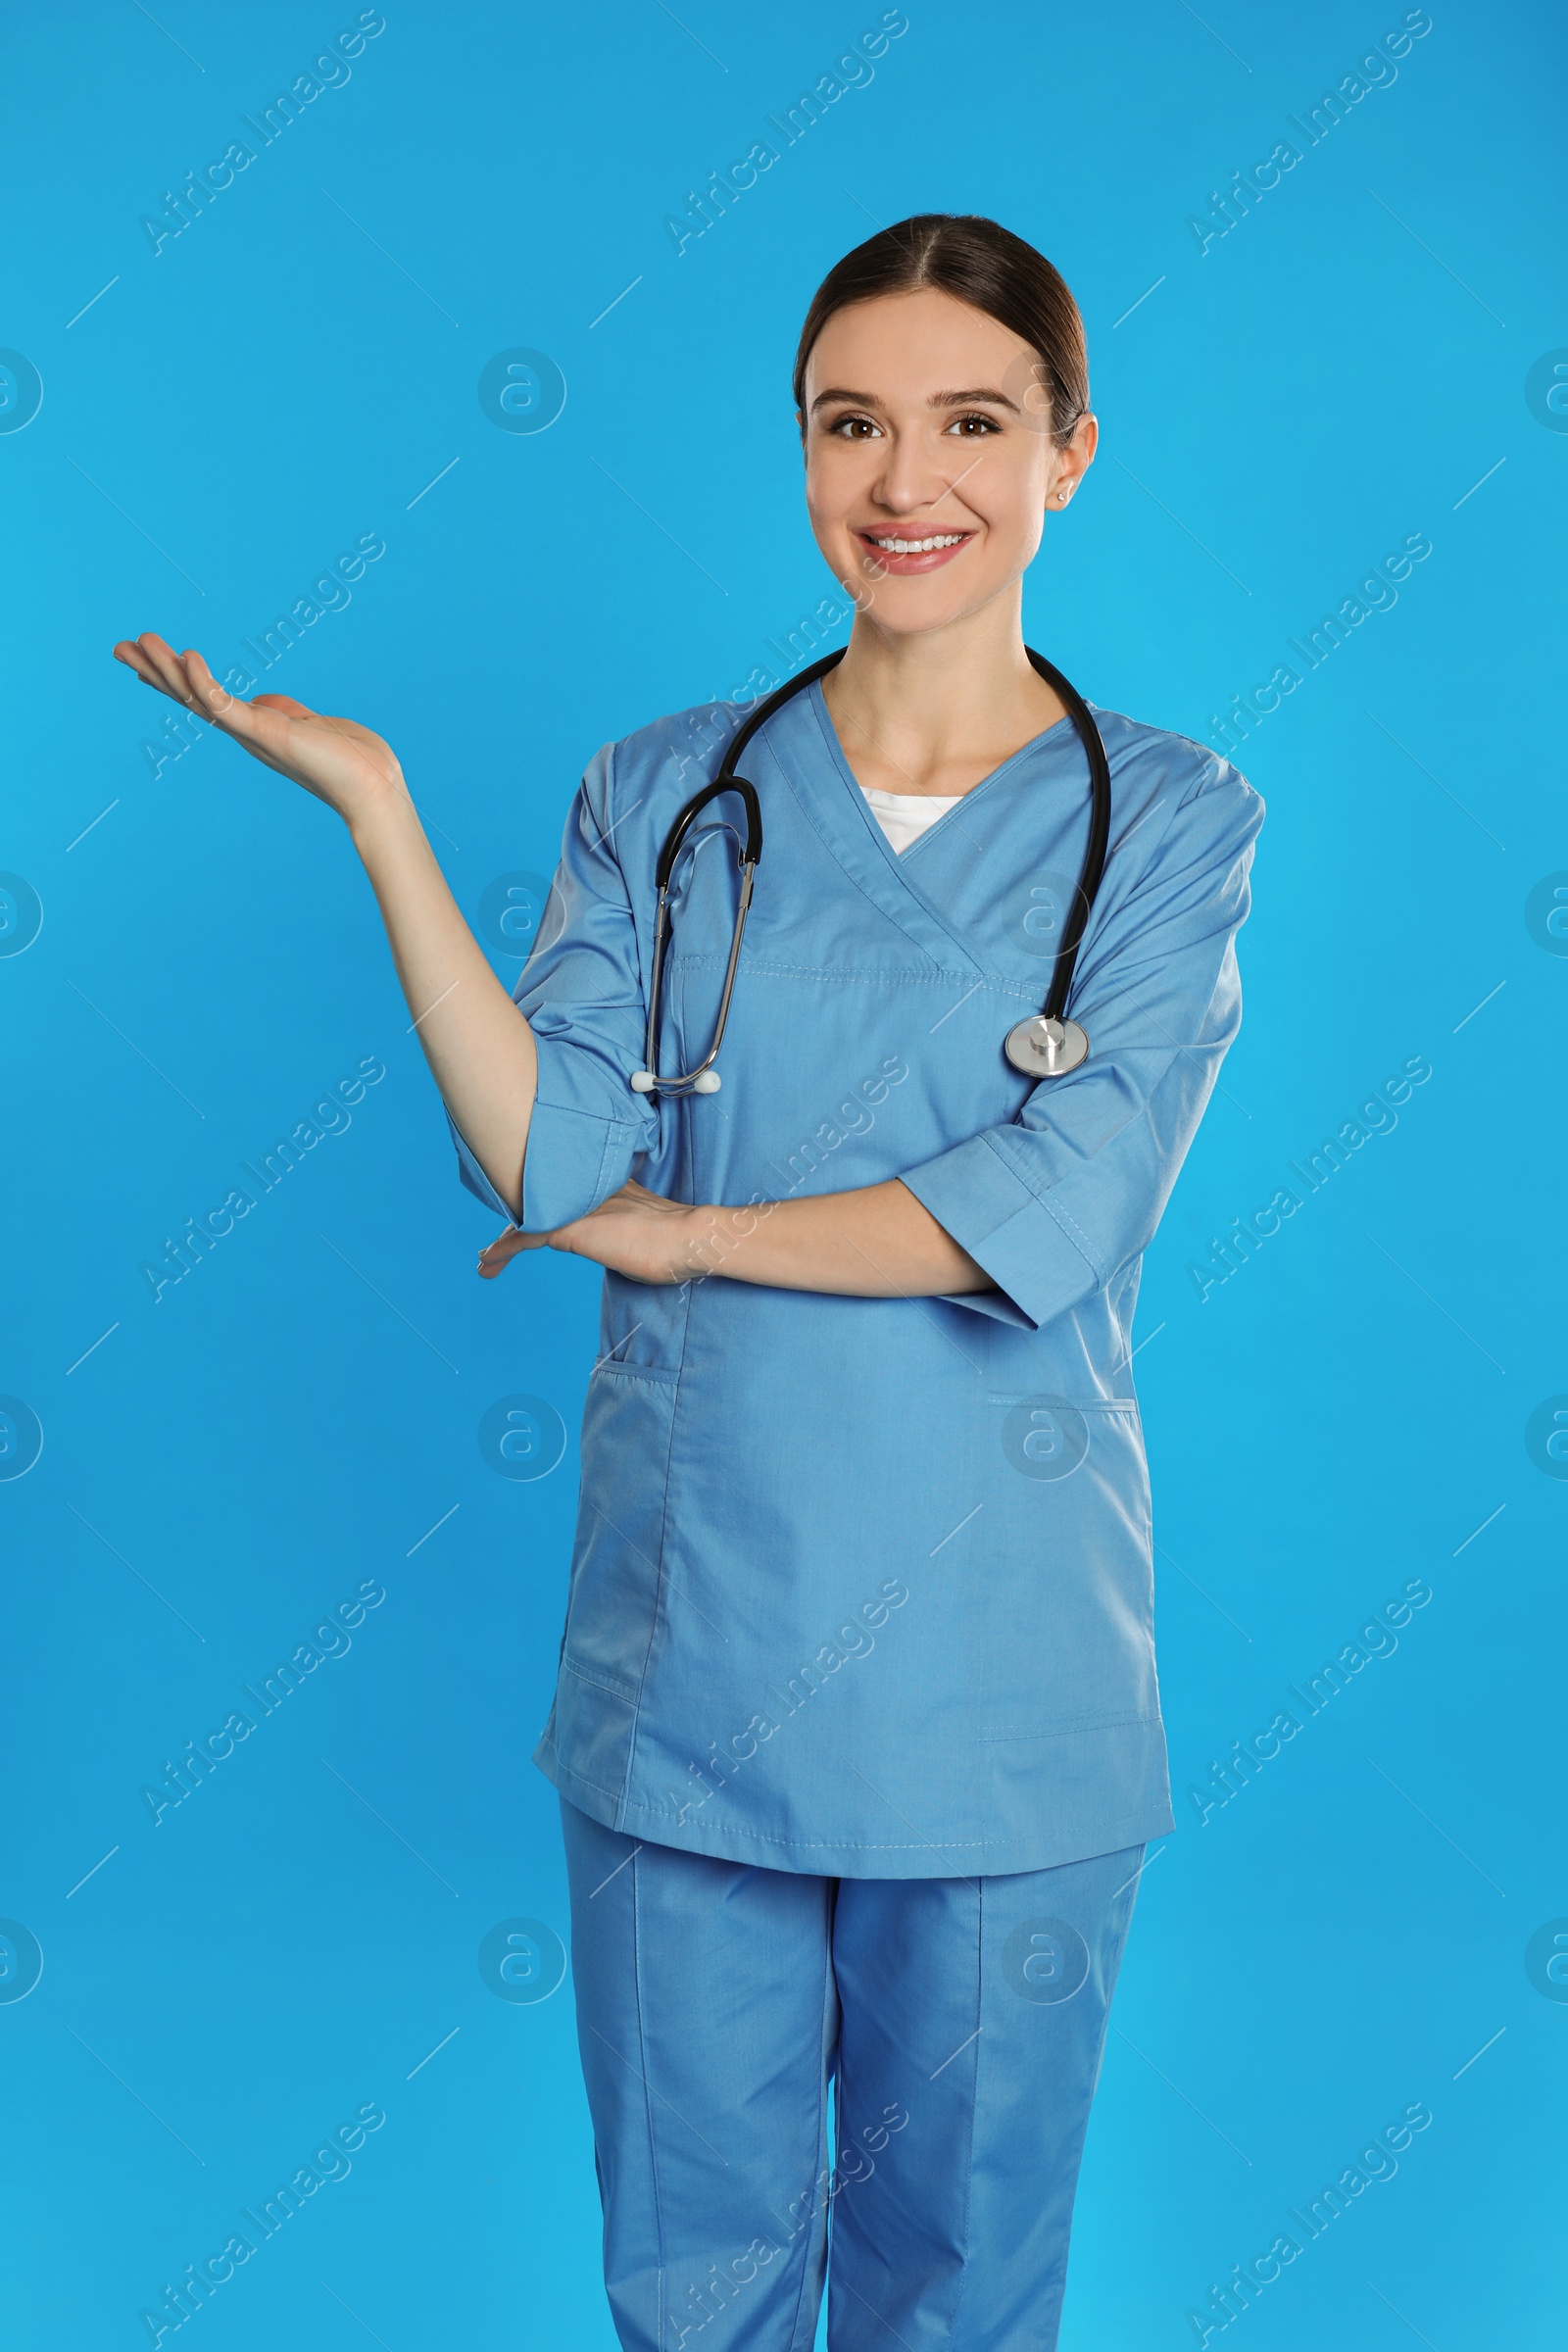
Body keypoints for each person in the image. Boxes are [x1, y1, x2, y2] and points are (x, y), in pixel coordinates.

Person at [115, 213, 1262, 2351]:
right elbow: (546, 1153)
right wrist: (375, 820)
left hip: (1001, 1703)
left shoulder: (1171, 821)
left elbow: (1058, 1203)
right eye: (849, 423)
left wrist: (688, 1234)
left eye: (968, 422)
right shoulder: (663, 792)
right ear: (800, 451)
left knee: (960, 2286)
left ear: (1066, 455)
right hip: (695, 1684)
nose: (902, 480)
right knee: (692, 2285)